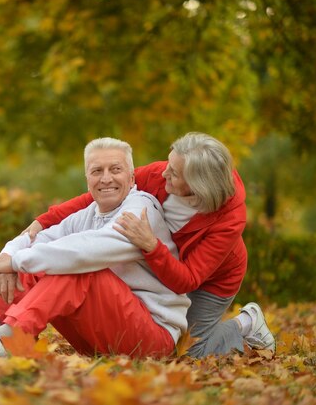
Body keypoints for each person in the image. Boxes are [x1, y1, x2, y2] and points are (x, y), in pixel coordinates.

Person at [0, 137, 190, 358]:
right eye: (97, 171)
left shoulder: (141, 210)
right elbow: (39, 240)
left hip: (150, 341)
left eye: (115, 170)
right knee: (37, 262)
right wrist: (9, 256)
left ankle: (9, 341)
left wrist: (17, 261)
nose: (106, 178)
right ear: (88, 179)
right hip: (101, 338)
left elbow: (88, 251)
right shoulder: (88, 214)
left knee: (81, 269)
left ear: (132, 178)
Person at [23, 132, 275, 357]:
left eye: (174, 173)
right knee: (170, 344)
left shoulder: (229, 219)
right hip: (166, 263)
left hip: (213, 279)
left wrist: (152, 246)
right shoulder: (158, 174)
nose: (164, 172)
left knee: (189, 352)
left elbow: (187, 279)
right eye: (169, 164)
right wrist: (44, 221)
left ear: (196, 186)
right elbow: (103, 190)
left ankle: (246, 322)